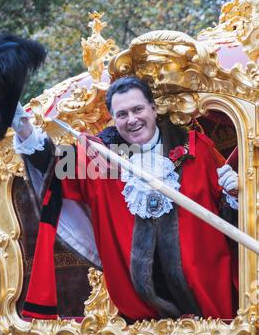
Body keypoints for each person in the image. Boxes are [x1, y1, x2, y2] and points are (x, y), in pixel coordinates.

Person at [12, 76, 239, 321]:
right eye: (122, 114)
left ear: (153, 108)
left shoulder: (197, 149)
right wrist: (22, 126)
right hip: (141, 318)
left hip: (212, 305)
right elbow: (51, 169)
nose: (132, 120)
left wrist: (236, 194)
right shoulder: (98, 159)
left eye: (138, 109)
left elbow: (231, 216)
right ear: (113, 118)